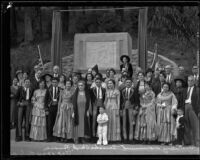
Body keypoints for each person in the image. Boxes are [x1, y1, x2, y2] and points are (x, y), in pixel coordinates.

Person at [120, 78, 139, 143]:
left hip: (131, 108)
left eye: (129, 82)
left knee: (131, 123)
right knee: (124, 123)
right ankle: (125, 138)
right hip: (124, 108)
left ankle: (131, 138)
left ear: (131, 84)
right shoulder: (122, 91)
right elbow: (120, 101)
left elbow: (137, 101)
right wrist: (120, 110)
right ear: (125, 83)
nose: (128, 83)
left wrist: (135, 109)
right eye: (127, 82)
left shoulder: (134, 90)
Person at [184, 75, 199, 146]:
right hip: (185, 107)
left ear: (194, 81)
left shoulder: (198, 89)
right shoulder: (184, 89)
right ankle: (187, 142)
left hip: (193, 107)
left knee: (195, 125)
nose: (190, 82)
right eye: (188, 80)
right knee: (186, 125)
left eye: (191, 80)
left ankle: (196, 142)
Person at [45, 77, 60, 142]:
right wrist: (46, 109)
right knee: (50, 123)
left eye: (55, 82)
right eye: (53, 82)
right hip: (50, 107)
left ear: (58, 83)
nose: (54, 83)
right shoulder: (48, 89)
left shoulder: (60, 90)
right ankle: (49, 137)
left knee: (57, 123)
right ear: (51, 82)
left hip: (57, 107)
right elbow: (45, 100)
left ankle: (56, 137)